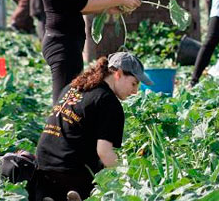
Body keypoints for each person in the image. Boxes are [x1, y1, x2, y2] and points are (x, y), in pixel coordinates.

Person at [28, 52, 153, 201]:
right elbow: (104, 153)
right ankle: (78, 194)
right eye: (134, 83)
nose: (135, 91)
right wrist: (125, 177)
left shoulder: (73, 87)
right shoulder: (108, 102)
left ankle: (55, 195)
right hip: (71, 171)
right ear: (118, 74)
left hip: (42, 167)